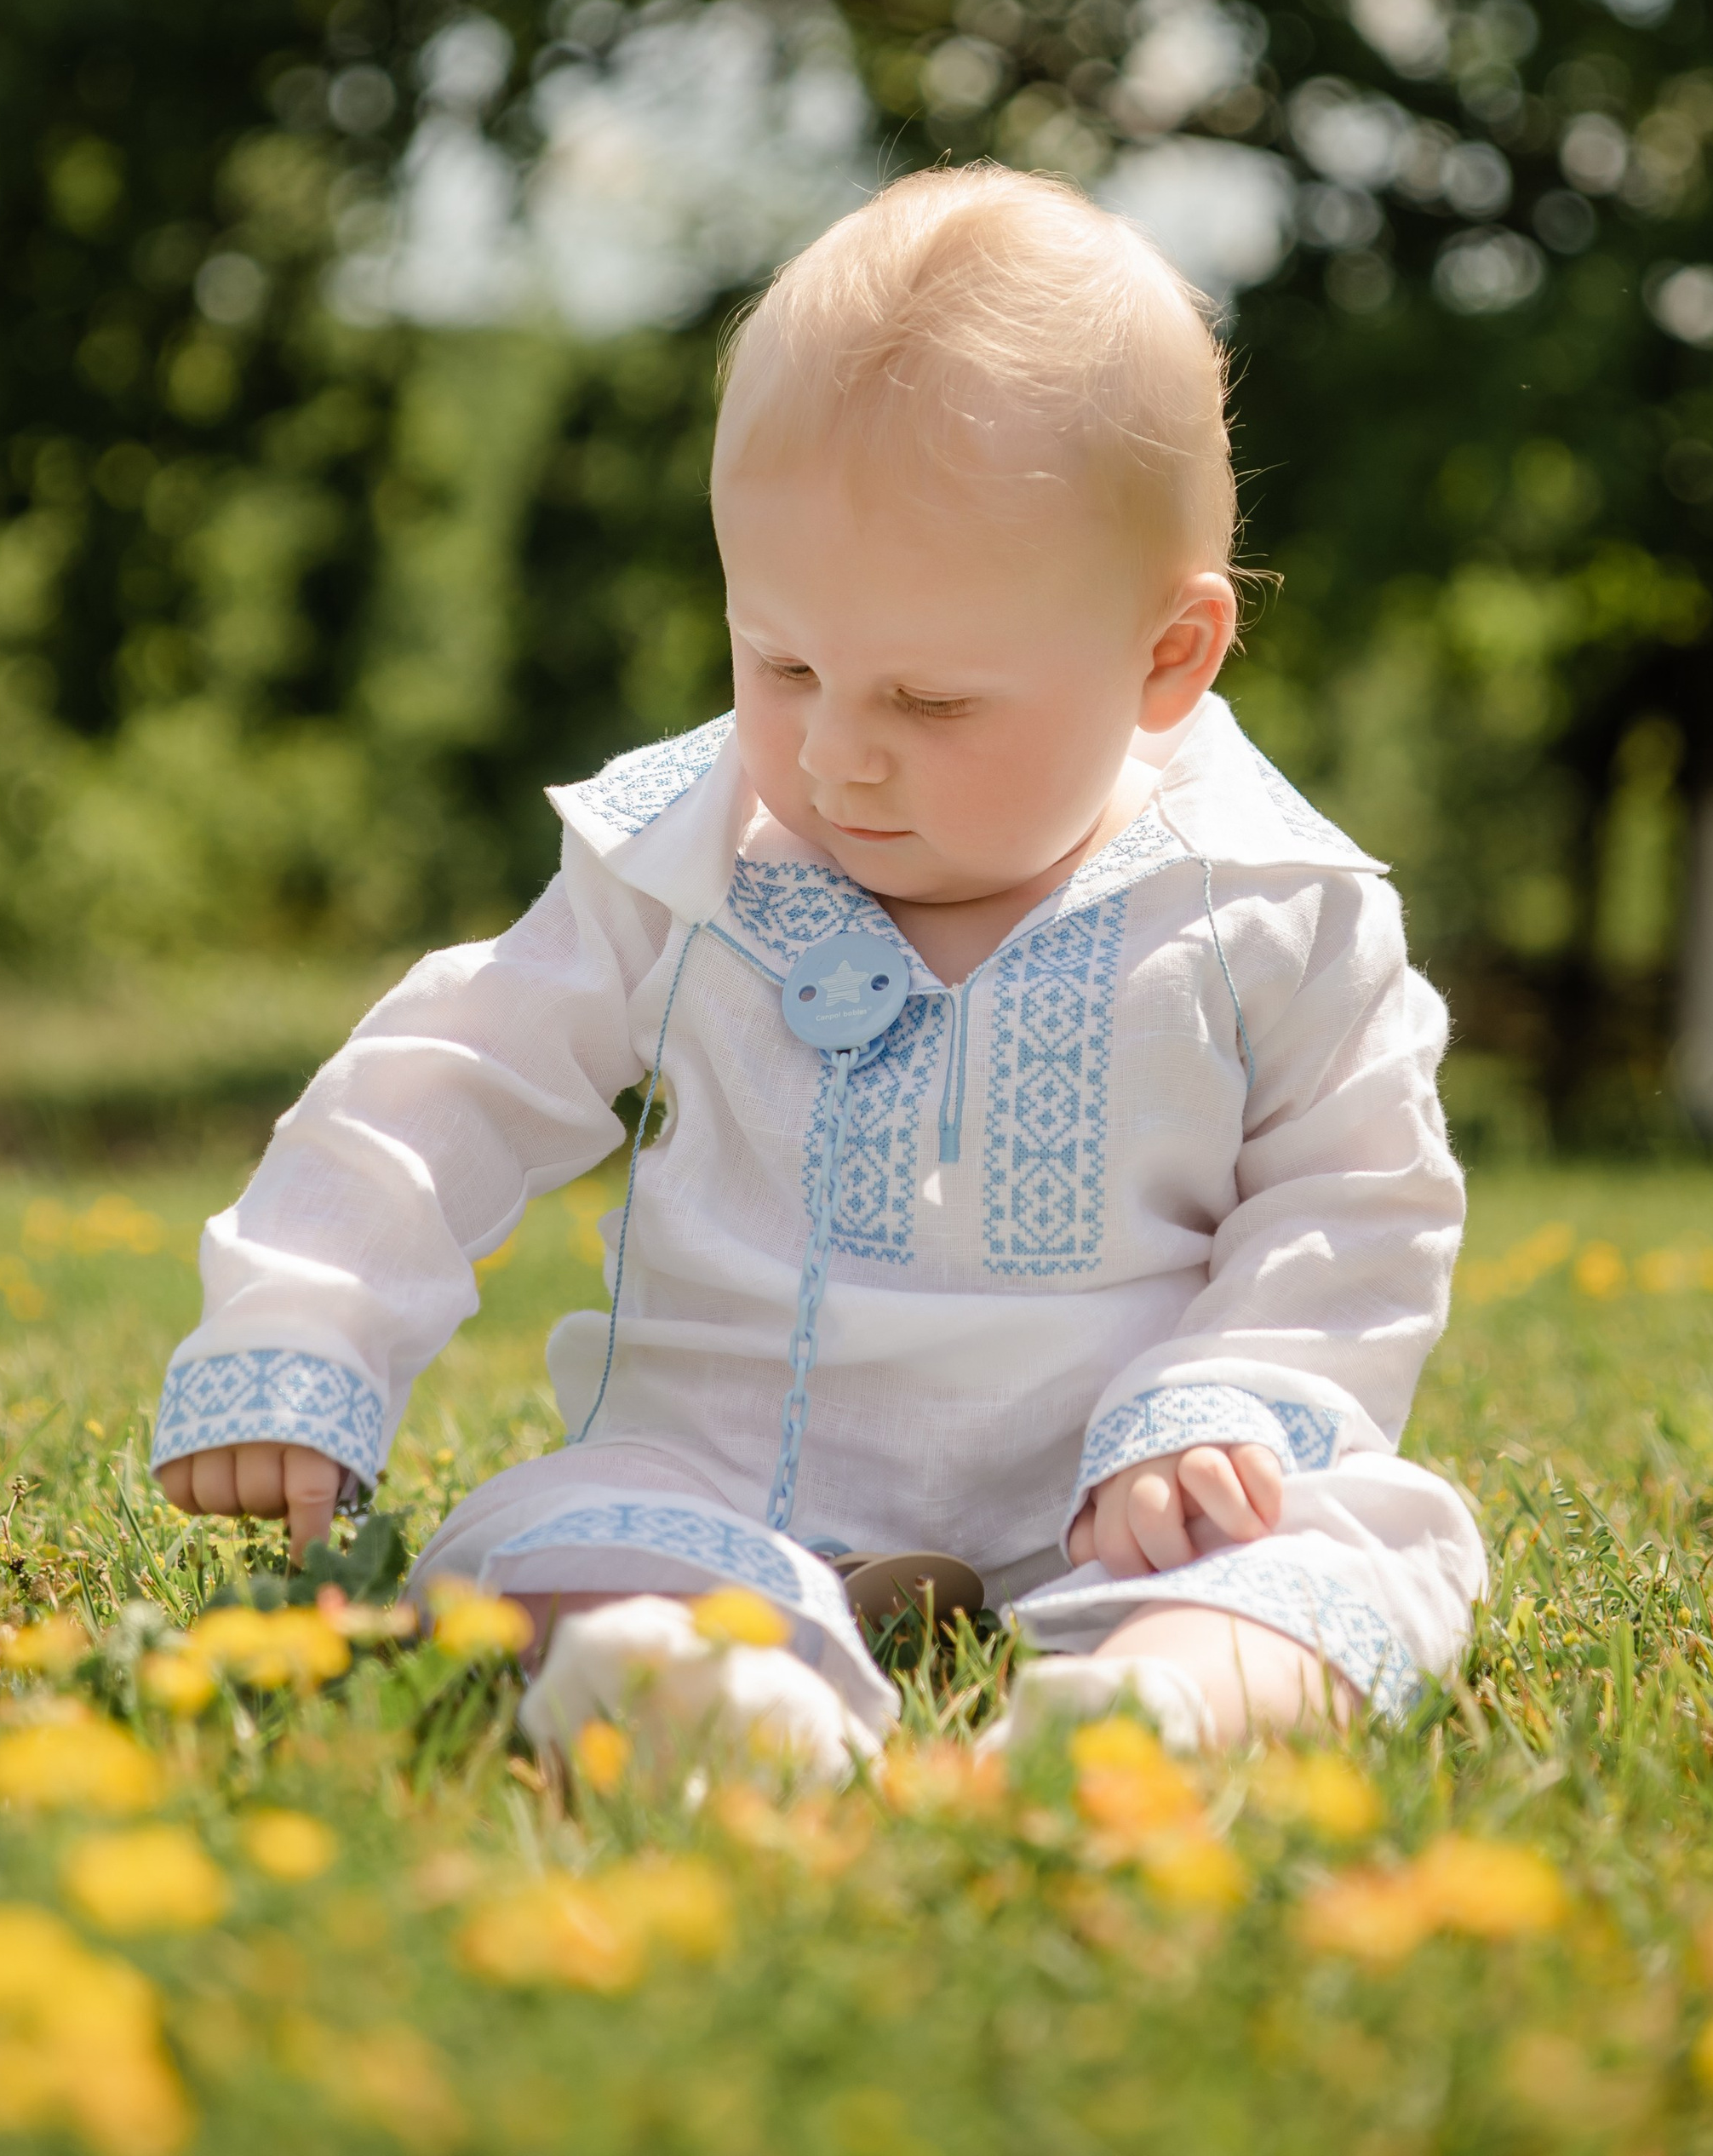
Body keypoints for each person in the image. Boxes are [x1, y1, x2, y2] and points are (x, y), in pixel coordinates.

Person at [153, 164, 1482, 1775]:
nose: (839, 759)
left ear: (1168, 658)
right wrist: (305, 1331)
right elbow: (455, 1077)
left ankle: (1160, 1708)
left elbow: (1352, 1206)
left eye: (932, 705)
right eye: (782, 663)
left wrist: (1217, 1414)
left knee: (1380, 1543)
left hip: (1125, 1515)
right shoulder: (691, 859)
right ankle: (699, 1678)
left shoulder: (1271, 907)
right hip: (717, 1484)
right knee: (543, 1537)